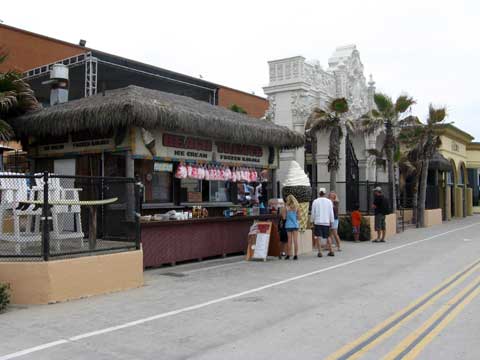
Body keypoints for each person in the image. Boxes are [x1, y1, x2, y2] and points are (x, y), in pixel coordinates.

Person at [311, 188, 335, 257]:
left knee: (318, 237)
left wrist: (312, 221)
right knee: (328, 236)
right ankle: (331, 250)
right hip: (326, 221)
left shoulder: (315, 201)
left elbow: (313, 212)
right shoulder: (329, 201)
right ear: (325, 193)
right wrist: (331, 221)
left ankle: (320, 252)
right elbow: (331, 212)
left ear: (319, 193)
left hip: (318, 221)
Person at [281, 195, 301, 260]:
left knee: (289, 240)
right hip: (295, 225)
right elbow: (299, 217)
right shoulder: (297, 207)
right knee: (295, 240)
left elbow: (284, 218)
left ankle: (288, 255)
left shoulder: (286, 207)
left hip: (288, 225)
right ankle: (295, 255)